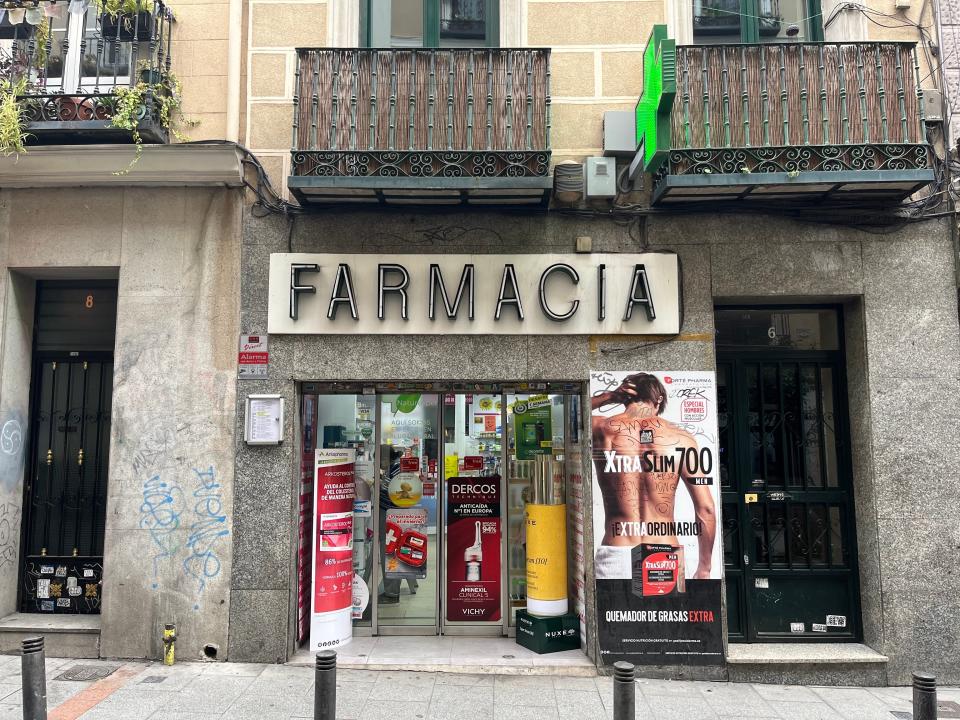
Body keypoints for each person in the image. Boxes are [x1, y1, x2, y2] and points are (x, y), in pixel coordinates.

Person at [591, 373, 716, 581]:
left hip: (616, 551)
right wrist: (705, 566)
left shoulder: (602, 429)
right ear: (658, 400)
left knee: (613, 615)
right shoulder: (682, 439)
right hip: (664, 552)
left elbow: (568, 411)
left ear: (625, 397)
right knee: (665, 614)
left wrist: (609, 396)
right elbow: (706, 508)